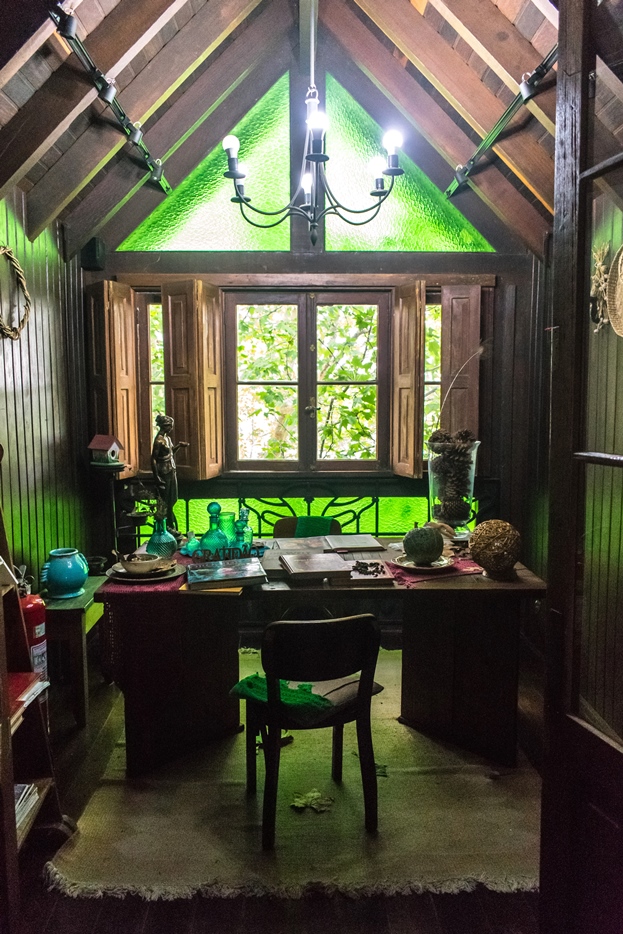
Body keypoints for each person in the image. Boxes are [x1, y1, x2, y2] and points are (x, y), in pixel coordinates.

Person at [151, 414, 189, 530]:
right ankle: (167, 526)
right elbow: (153, 458)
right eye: (170, 426)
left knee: (173, 498)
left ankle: (170, 526)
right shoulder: (159, 440)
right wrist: (156, 476)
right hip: (164, 472)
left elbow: (170, 453)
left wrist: (179, 446)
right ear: (164, 426)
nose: (171, 428)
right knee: (165, 501)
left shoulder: (168, 439)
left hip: (171, 470)